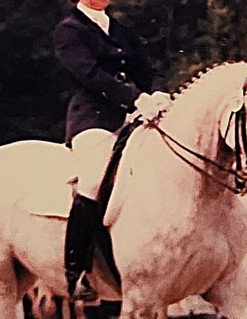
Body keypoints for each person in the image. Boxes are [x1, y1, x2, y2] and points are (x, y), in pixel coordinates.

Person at [54, 0, 171, 301]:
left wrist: (158, 93)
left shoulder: (120, 30)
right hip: (92, 118)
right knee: (92, 180)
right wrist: (135, 98)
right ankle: (76, 271)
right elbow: (91, 77)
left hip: (132, 118)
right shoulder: (70, 31)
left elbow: (148, 70)